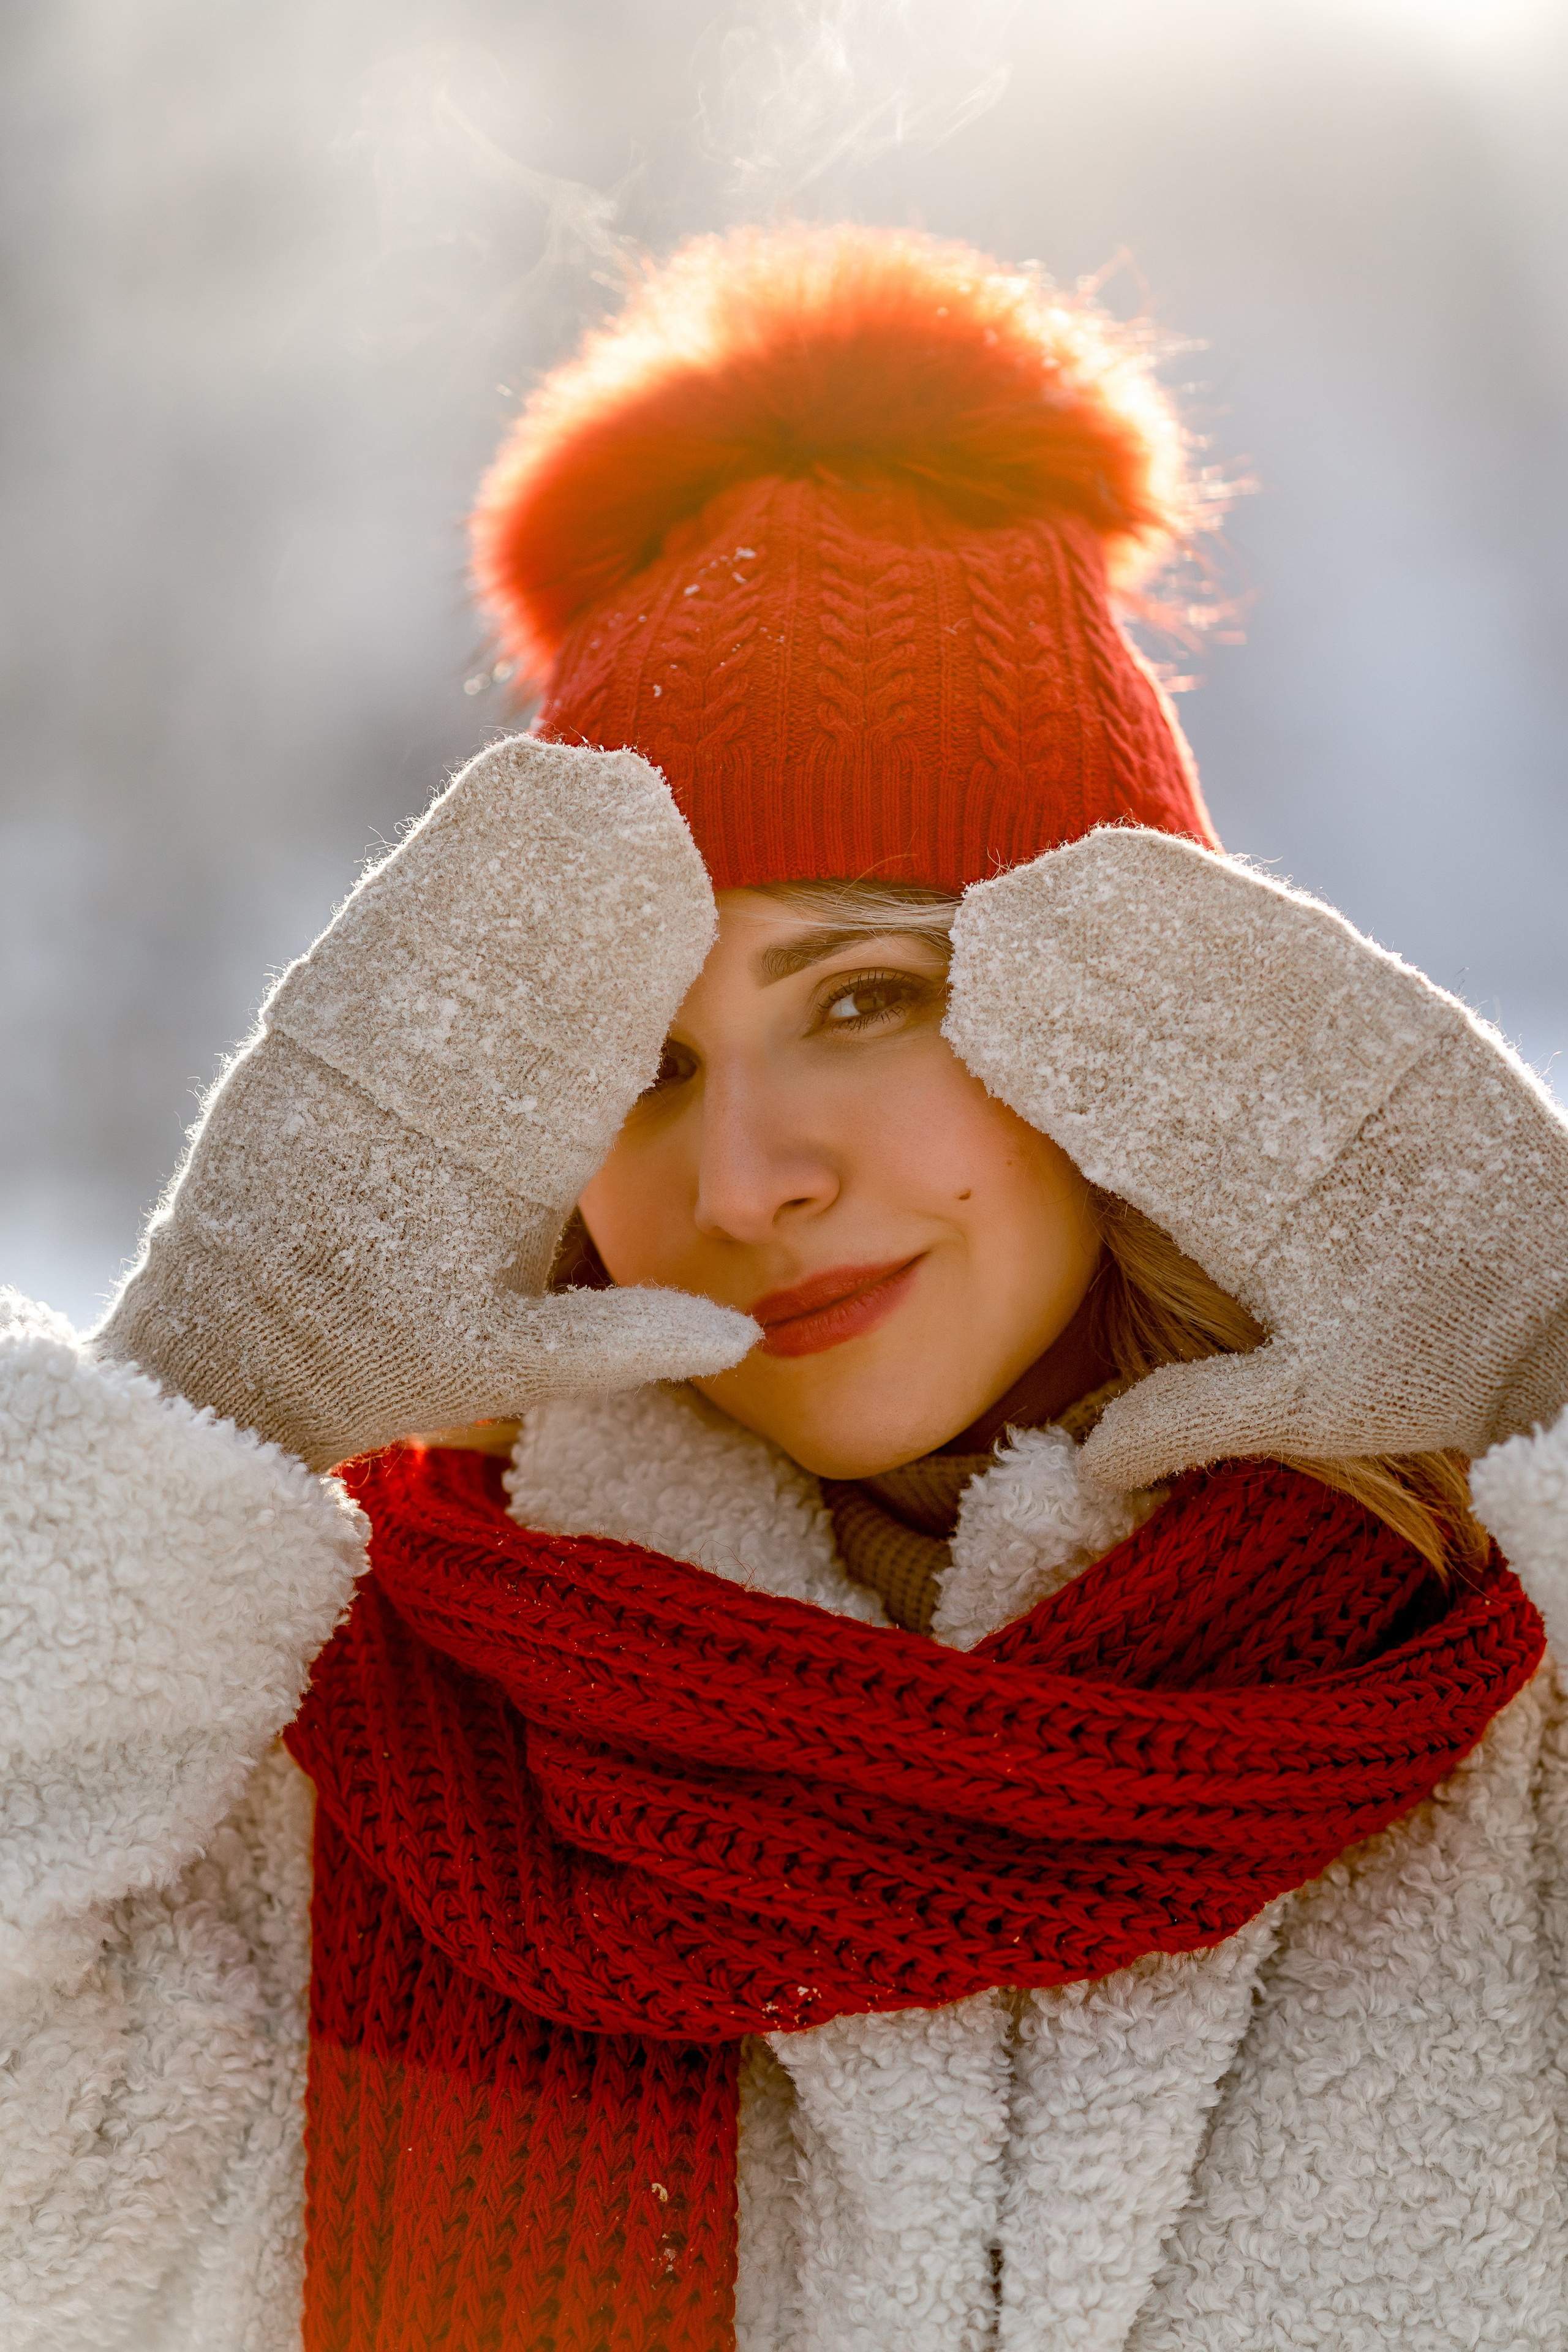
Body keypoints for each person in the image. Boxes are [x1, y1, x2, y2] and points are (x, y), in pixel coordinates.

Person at [3, 224, 1567, 2352]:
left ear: (1149, 1020)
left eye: (866, 993)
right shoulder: (298, 1792)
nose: (750, 1176)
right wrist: (195, 1415)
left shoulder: (1501, 1717)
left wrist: (1549, 1354)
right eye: (637, 1064)